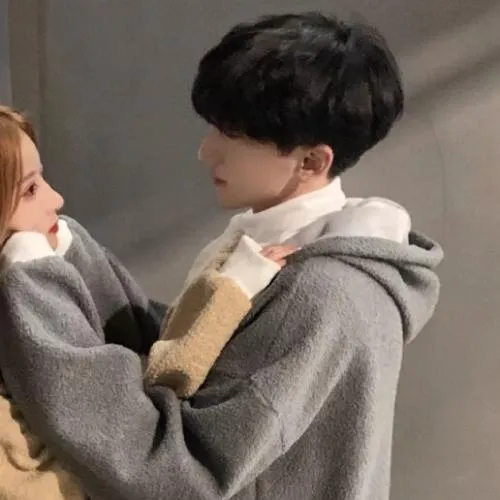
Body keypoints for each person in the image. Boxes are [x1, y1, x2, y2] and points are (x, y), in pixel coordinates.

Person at [0, 12, 443, 500]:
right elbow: (183, 354)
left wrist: (35, 285)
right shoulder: (286, 254)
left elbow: (178, 472)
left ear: (312, 160)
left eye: (232, 135)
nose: (207, 151)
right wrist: (69, 255)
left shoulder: (317, 296)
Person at [0, 104, 295, 499]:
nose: (57, 198)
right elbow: (143, 454)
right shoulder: (28, 282)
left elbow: (147, 344)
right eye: (30, 190)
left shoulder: (54, 253)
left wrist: (69, 253)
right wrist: (33, 272)